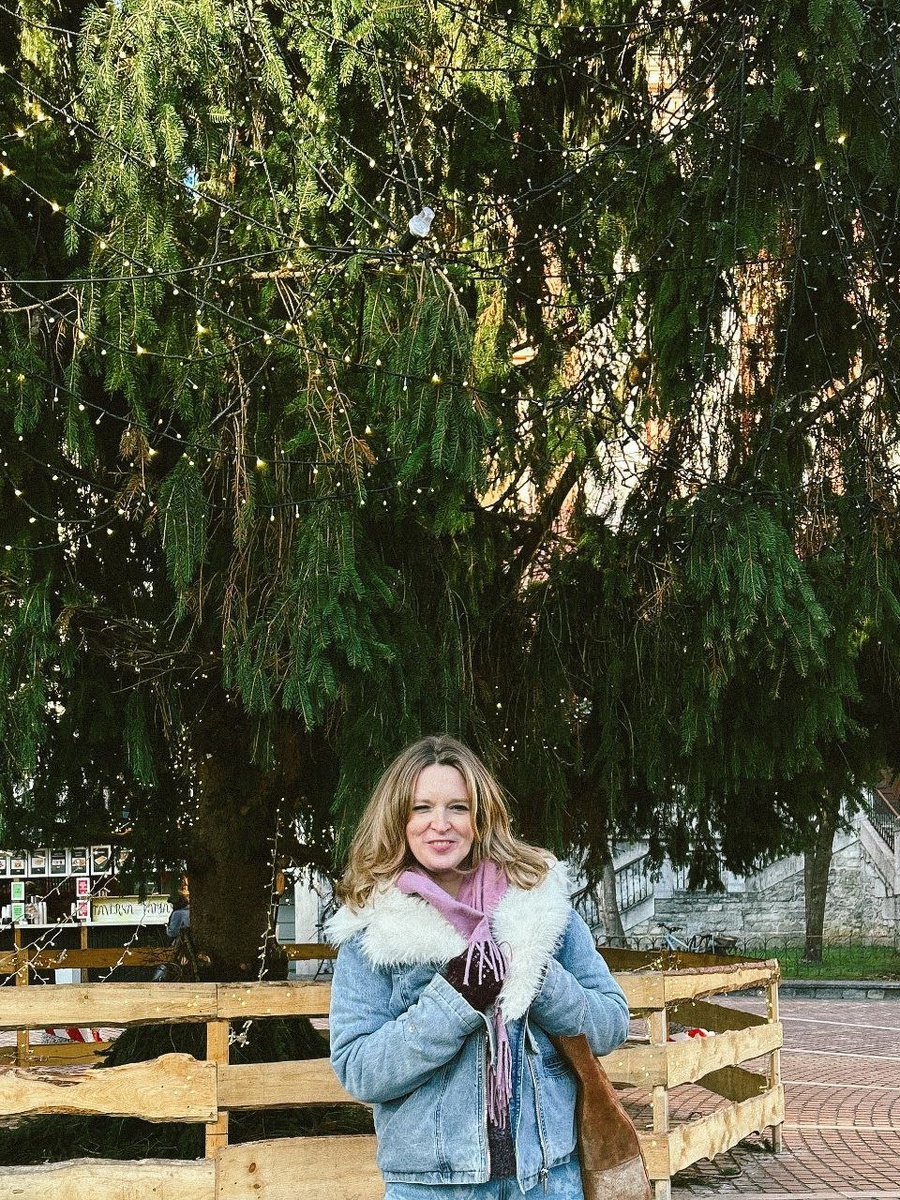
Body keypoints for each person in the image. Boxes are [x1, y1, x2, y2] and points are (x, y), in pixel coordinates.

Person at [327, 735, 630, 1200]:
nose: (441, 824)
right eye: (421, 808)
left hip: (548, 1180)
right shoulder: (374, 926)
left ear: (481, 816)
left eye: (458, 808)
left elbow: (611, 1024)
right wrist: (452, 1003)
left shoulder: (536, 904)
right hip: (431, 1187)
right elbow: (359, 1069)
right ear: (398, 818)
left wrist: (537, 978)